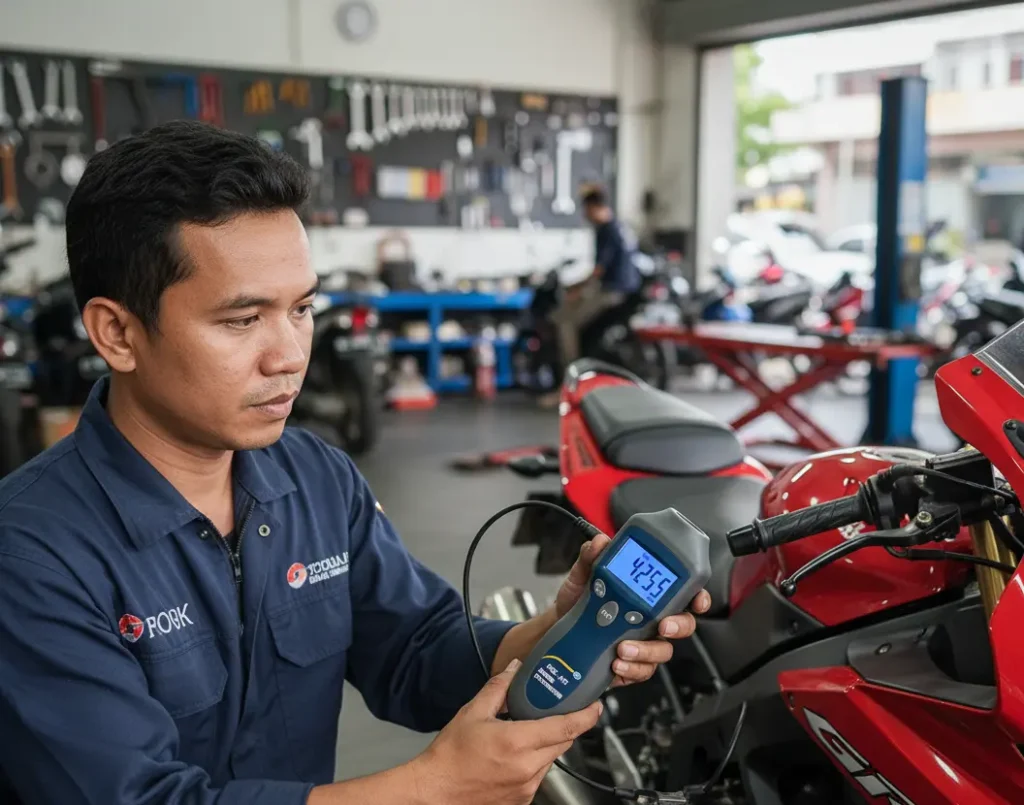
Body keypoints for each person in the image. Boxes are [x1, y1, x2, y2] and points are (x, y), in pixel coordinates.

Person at [0, 121, 710, 805]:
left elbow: (416, 648)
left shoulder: (313, 477)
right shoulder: (31, 551)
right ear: (117, 332)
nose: (289, 356)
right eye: (243, 320)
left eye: (302, 308)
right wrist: (427, 791)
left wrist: (558, 633)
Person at [541, 186, 642, 407]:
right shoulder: (621, 227)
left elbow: (599, 271)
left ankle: (570, 385)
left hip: (611, 292)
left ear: (594, 207)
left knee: (565, 322)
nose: (584, 214)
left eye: (585, 209)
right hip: (626, 291)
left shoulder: (605, 230)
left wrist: (575, 288)